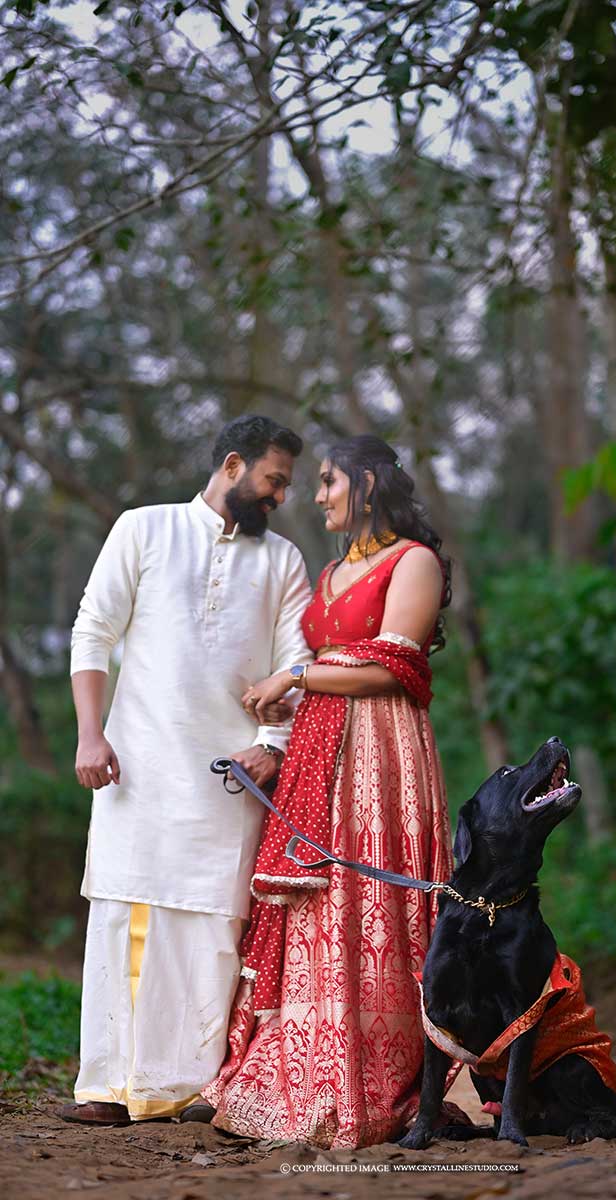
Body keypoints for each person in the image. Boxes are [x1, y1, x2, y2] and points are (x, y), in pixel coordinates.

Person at [197, 435, 454, 1148]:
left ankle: (374, 1070)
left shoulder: (415, 562)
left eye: (328, 482)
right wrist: (287, 701)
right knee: (318, 894)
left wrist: (296, 679)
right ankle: (298, 1065)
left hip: (382, 753)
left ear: (367, 483)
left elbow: (392, 667)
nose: (317, 496)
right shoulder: (334, 569)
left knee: (367, 902)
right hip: (319, 748)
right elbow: (323, 659)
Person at [58, 414, 314, 1126]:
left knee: (213, 926)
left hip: (228, 778)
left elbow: (295, 659)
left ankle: (196, 1086)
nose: (280, 496)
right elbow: (93, 630)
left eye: (287, 484)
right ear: (233, 466)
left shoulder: (283, 562)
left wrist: (272, 743)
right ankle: (109, 1086)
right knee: (126, 911)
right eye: (273, 480)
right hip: (135, 764)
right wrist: (89, 735)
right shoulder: (143, 528)